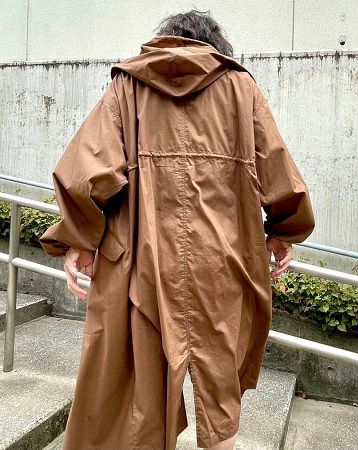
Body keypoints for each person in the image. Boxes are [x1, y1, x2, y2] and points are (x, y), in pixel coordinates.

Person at [39, 9, 315, 450]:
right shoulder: (240, 89)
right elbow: (278, 170)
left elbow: (88, 172)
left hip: (141, 269)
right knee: (220, 400)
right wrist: (284, 229)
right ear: (215, 46)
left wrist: (80, 240)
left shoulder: (128, 88)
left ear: (165, 42)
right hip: (223, 267)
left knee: (138, 401)